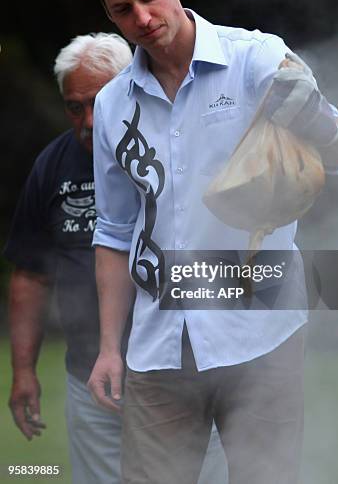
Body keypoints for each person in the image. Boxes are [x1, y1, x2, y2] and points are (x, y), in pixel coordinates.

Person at [85, 0, 338, 484]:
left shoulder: (254, 56)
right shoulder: (112, 103)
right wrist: (108, 348)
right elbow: (114, 231)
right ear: (110, 16)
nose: (142, 16)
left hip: (260, 330)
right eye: (123, 9)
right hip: (159, 343)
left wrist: (314, 123)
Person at [5, 32, 227, 484]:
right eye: (74, 106)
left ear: (129, 87)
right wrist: (23, 371)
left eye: (99, 101)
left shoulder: (182, 154)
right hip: (92, 381)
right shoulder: (52, 167)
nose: (88, 120)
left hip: (184, 376)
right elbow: (30, 275)